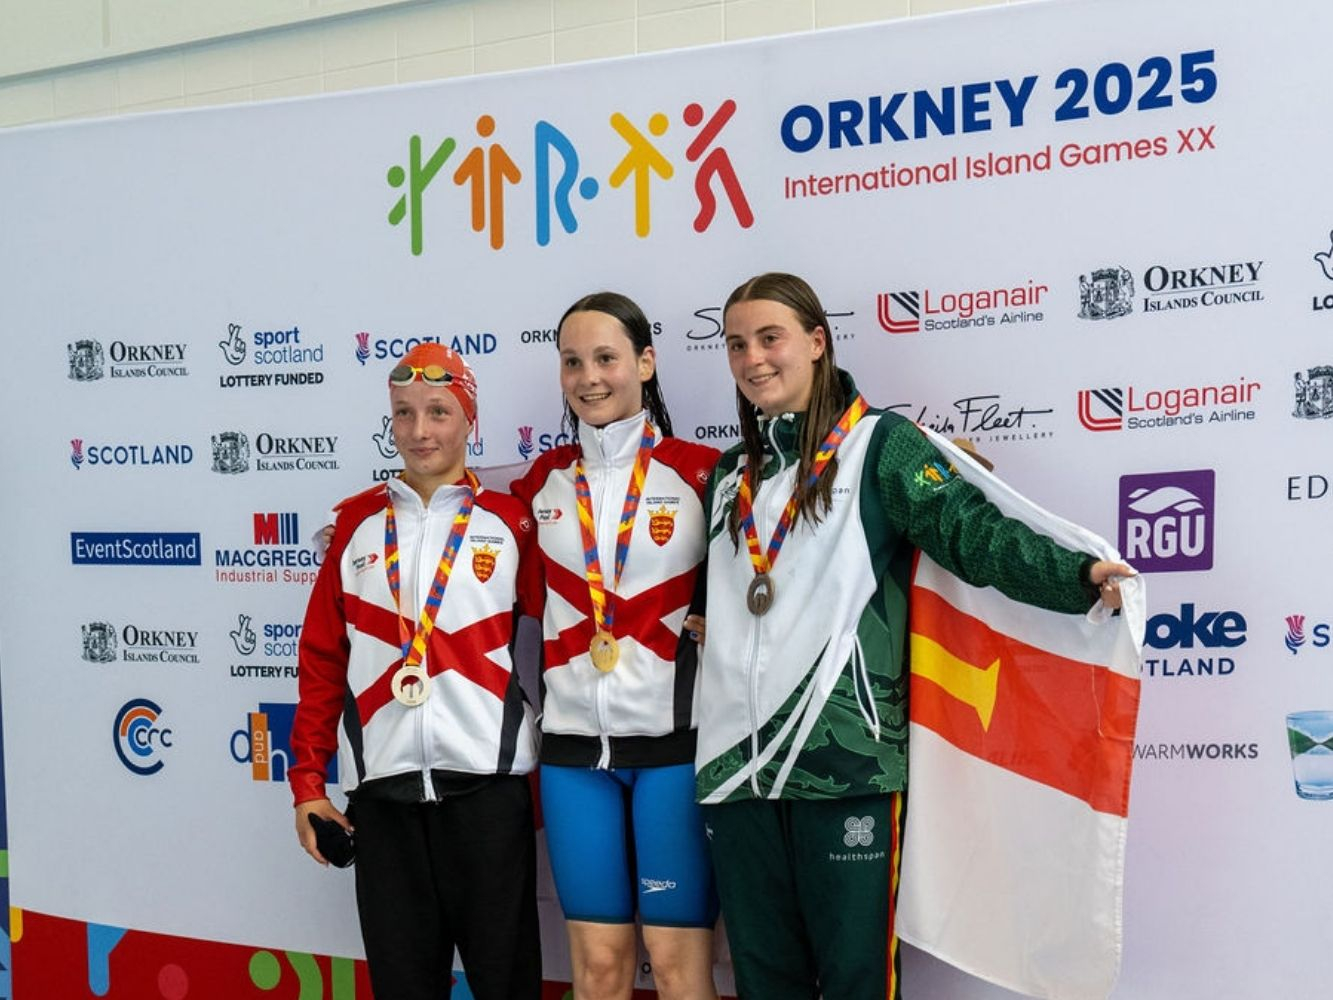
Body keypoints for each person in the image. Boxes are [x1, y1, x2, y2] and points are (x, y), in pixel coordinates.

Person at [694, 272, 1134, 1000]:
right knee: (763, 979)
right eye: (736, 344)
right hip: (733, 769)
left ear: (815, 341)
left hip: (843, 763)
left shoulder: (881, 447)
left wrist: (1075, 574)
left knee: (855, 977)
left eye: (769, 338)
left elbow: (972, 533)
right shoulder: (726, 476)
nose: (752, 359)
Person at [289, 343, 542, 1000]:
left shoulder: (511, 520)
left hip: (487, 800)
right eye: (403, 414)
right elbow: (321, 663)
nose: (420, 431)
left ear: (469, 420)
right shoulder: (352, 526)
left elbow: (564, 644)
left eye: (438, 410)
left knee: (506, 986)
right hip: (384, 809)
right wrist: (308, 784)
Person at [511, 292, 721, 1000]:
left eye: (605, 357)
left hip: (672, 752)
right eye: (572, 361)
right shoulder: (543, 481)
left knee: (676, 969)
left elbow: (811, 504)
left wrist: (939, 465)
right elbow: (452, 516)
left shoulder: (702, 472)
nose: (587, 377)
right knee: (597, 971)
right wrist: (356, 517)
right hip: (573, 757)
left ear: (645, 362)